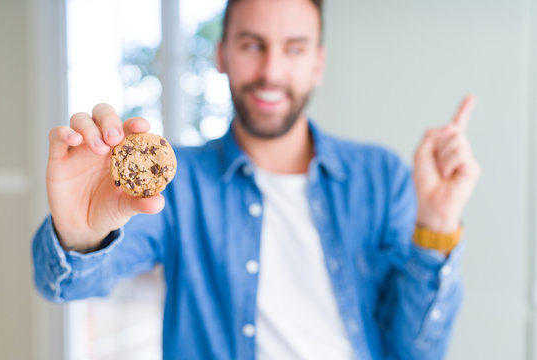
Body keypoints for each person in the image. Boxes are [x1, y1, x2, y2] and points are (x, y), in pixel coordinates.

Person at [32, 0, 481, 359]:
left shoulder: (381, 177)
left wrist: (438, 225)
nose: (271, 71)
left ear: (317, 63)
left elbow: (418, 351)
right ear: (222, 54)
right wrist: (79, 234)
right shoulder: (180, 184)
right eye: (252, 45)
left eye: (294, 48)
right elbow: (68, 284)